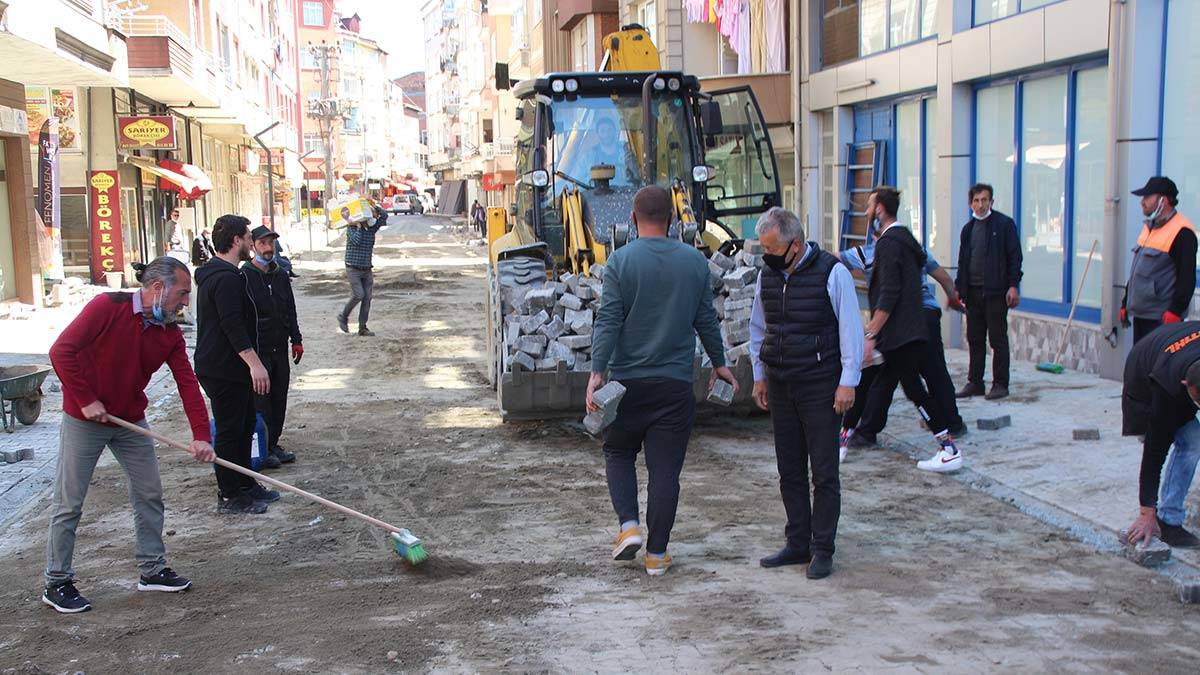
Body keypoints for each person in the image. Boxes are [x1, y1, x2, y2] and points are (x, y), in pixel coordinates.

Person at [42, 257, 216, 614]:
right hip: (85, 420)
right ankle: (57, 581)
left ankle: (152, 570)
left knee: (149, 492)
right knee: (69, 502)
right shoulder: (108, 306)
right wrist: (86, 399)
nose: (185, 302)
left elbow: (187, 384)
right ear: (157, 289)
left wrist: (201, 435)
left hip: (129, 420)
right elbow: (61, 351)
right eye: (182, 294)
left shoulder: (169, 333)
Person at [588, 185, 736, 577]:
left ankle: (628, 526)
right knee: (665, 471)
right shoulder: (694, 262)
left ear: (633, 220)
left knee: (618, 452)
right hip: (673, 385)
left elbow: (608, 321)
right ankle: (656, 554)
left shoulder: (620, 262)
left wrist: (596, 372)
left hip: (627, 384)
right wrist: (720, 364)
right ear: (672, 220)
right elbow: (706, 319)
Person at [749, 207, 863, 580]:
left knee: (824, 472)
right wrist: (759, 374)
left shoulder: (834, 274)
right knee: (790, 468)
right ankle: (797, 541)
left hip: (820, 385)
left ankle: (822, 548)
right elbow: (758, 327)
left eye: (773, 249)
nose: (767, 256)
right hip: (781, 383)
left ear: (796, 245)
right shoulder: (769, 274)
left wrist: (849, 381)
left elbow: (851, 332)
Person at [861, 186, 964, 473]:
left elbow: (889, 293)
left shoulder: (890, 243)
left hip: (902, 332)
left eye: (870, 207)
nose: (867, 213)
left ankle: (949, 448)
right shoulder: (907, 240)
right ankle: (947, 445)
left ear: (880, 209)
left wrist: (871, 334)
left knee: (916, 389)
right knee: (915, 387)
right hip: (910, 329)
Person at [840, 236, 967, 456]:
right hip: (925, 317)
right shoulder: (916, 249)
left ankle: (865, 432)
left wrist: (871, 333)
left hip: (899, 323)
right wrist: (953, 298)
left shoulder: (873, 252)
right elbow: (944, 277)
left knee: (892, 379)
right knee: (933, 373)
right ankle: (951, 425)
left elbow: (888, 297)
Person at [194, 214, 278, 515]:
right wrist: (255, 364)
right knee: (231, 429)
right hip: (221, 368)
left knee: (245, 426)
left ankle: (245, 483)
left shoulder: (228, 274)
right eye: (246, 237)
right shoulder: (224, 278)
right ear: (235, 241)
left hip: (233, 367)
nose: (250, 242)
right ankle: (229, 494)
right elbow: (232, 326)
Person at [1122, 321, 1200, 549]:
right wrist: (1147, 512)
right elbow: (1153, 456)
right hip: (1143, 376)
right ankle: (1167, 521)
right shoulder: (1167, 391)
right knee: (1193, 442)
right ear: (1187, 385)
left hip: (1170, 346)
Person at [954, 183, 1022, 400]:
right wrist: (959, 289)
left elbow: (1014, 257)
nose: (980, 204)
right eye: (976, 200)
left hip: (996, 292)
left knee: (997, 339)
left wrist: (1013, 285)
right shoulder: (968, 229)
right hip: (972, 293)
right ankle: (975, 382)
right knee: (974, 338)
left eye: (984, 200)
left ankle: (1000, 383)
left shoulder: (1004, 225)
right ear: (970, 203)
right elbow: (963, 261)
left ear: (991, 202)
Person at [243, 226, 303, 469]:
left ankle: (274, 443)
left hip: (280, 347)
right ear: (254, 246)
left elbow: (290, 307)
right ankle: (263, 448)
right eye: (263, 244)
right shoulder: (244, 276)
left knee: (279, 397)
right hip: (259, 350)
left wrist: (296, 338)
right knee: (261, 401)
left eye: (271, 244)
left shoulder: (279, 274)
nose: (268, 249)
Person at [1120, 176, 1195, 344]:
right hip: (1141, 314)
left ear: (1164, 200)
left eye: (1147, 197)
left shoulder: (1182, 233)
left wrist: (1176, 310)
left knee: (1157, 367)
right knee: (1141, 365)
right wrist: (1126, 302)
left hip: (1162, 319)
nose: (1142, 202)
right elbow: (1137, 269)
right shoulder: (1149, 227)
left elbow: (1187, 278)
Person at [338, 205, 386, 336]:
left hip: (366, 268)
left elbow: (384, 216)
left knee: (367, 298)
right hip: (353, 267)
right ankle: (343, 316)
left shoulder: (371, 228)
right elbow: (356, 241)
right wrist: (358, 225)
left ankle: (362, 327)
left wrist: (372, 205)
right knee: (359, 294)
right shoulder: (351, 228)